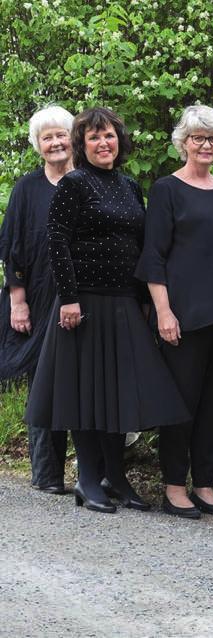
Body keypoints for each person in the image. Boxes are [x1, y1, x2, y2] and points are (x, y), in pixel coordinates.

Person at [25, 106, 189, 513]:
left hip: (124, 301)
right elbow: (57, 242)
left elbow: (141, 245)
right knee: (85, 392)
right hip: (84, 303)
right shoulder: (74, 184)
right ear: (82, 145)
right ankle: (87, 478)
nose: (103, 143)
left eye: (110, 136)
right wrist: (69, 298)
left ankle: (115, 476)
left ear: (120, 141)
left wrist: (147, 301)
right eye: (94, 137)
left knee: (119, 393)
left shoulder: (130, 186)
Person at [136, 105, 213, 519]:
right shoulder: (167, 188)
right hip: (182, 315)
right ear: (183, 143)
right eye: (198, 138)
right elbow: (154, 256)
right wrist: (163, 312)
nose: (206, 145)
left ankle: (205, 483)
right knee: (181, 403)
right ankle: (173, 486)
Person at [0, 105, 74, 494]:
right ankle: (47, 475)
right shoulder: (27, 188)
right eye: (48, 137)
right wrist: (18, 300)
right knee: (42, 385)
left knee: (80, 383)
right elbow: (13, 249)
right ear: (37, 145)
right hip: (38, 299)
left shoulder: (88, 182)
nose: (56, 142)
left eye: (61, 134)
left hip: (82, 301)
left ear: (72, 137)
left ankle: (95, 474)